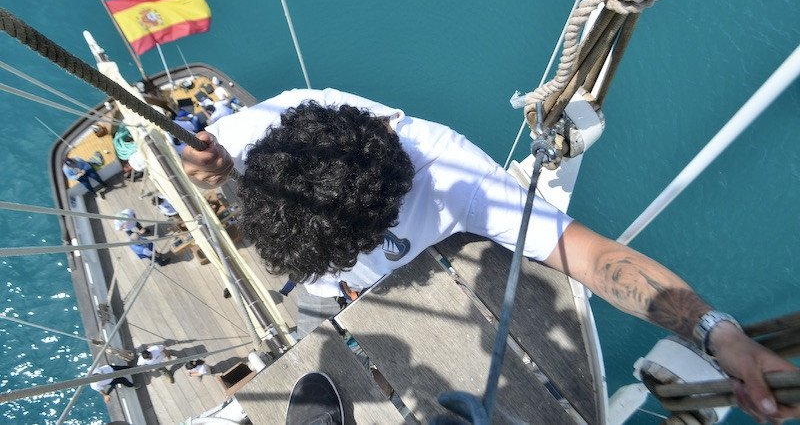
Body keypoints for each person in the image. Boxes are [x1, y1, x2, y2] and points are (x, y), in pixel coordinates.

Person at [181, 88, 800, 423]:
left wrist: (718, 334)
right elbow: (203, 161)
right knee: (317, 341)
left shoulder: (455, 178)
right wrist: (205, 168)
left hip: (382, 287)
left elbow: (591, 258)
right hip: (333, 298)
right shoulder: (256, 133)